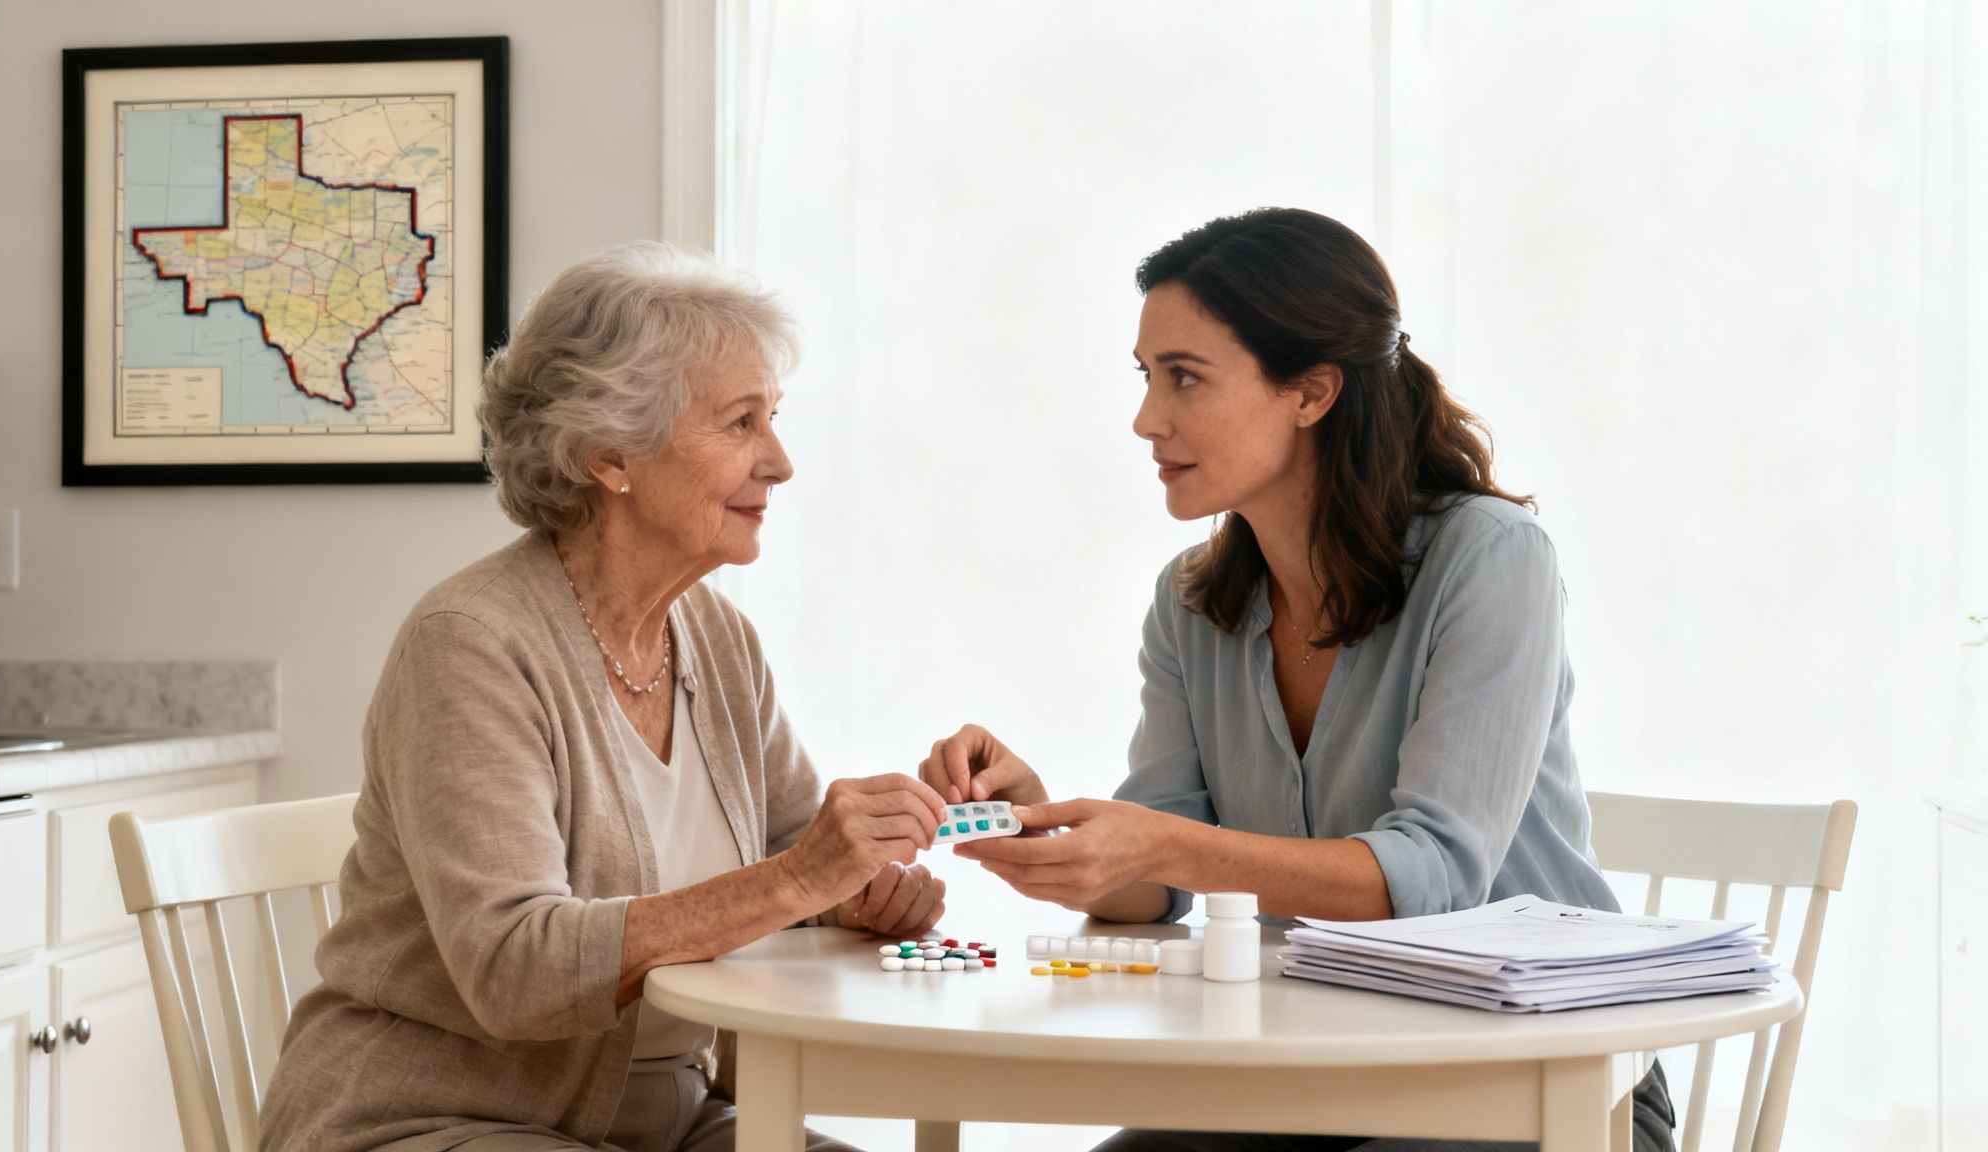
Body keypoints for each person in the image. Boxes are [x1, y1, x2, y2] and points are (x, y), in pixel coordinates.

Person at [919, 208, 1677, 1152]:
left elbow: (1432, 875)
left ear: (1311, 392)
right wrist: (1050, 823)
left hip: (1541, 1086)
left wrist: (1162, 845)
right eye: (1148, 377)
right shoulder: (1192, 603)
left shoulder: (1490, 558)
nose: (1146, 418)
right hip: (1303, 1081)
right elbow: (1155, 890)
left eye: (1185, 378)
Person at [261, 243, 948, 1152]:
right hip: (434, 1118)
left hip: (674, 1121)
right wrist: (796, 880)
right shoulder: (471, 644)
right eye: (741, 423)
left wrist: (853, 892)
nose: (780, 462)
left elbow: (790, 852)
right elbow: (516, 968)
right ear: (609, 454)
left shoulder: (717, 636)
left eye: (774, 419)